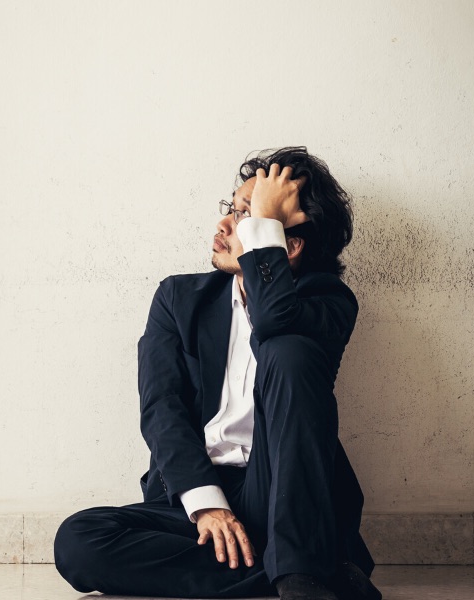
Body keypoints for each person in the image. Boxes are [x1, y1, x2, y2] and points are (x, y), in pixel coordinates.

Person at [53, 147, 380, 600]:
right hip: (203, 494)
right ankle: (299, 573)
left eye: (248, 216)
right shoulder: (178, 299)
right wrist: (207, 506)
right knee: (79, 542)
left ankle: (297, 566)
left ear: (287, 246)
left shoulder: (330, 303)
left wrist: (265, 238)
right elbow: (161, 407)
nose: (224, 225)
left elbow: (273, 322)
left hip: (288, 496)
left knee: (288, 353)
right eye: (232, 208)